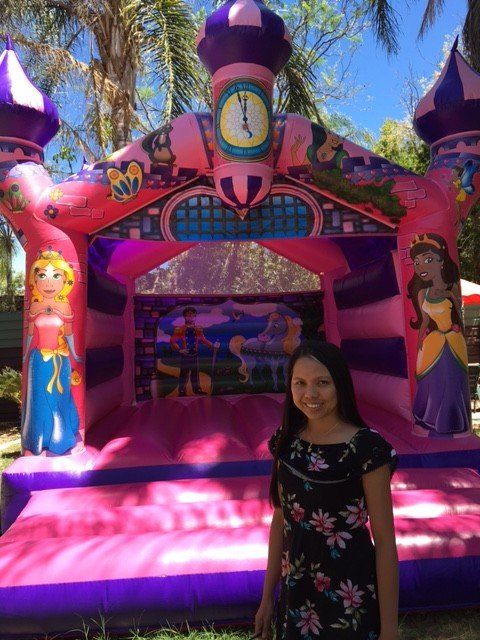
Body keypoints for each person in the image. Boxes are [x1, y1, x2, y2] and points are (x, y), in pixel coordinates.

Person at [255, 341, 399, 640]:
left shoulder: (366, 448)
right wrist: (267, 598)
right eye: (300, 383)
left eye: (322, 382)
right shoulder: (285, 442)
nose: (310, 394)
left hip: (351, 596)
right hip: (297, 594)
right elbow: (281, 520)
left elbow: (385, 542)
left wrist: (389, 630)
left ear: (340, 385)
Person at [408, 232, 470, 437]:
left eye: (428, 260)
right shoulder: (421, 293)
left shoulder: (452, 288)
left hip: (452, 340)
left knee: (451, 380)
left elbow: (457, 316)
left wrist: (451, 297)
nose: (420, 267)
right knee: (432, 381)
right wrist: (419, 343)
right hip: (433, 341)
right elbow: (425, 320)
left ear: (441, 262)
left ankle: (452, 420)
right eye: (417, 262)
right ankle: (432, 418)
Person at [22, 249, 82, 455]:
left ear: (65, 279)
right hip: (39, 360)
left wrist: (74, 354)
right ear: (35, 279)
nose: (49, 283)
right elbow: (30, 334)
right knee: (38, 399)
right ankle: (37, 436)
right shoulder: (35, 306)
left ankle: (60, 436)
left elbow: (69, 333)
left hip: (60, 360)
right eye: (42, 276)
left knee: (59, 398)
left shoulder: (64, 307)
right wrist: (23, 357)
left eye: (56, 276)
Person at [170, 306, 220, 396]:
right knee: (184, 374)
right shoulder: (180, 329)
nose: (191, 317)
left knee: (195, 374)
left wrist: (212, 346)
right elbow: (173, 341)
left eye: (193, 316)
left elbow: (203, 340)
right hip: (185, 355)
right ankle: (181, 391)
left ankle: (197, 389)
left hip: (194, 355)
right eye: (188, 315)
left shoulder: (198, 329)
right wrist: (179, 350)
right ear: (184, 317)